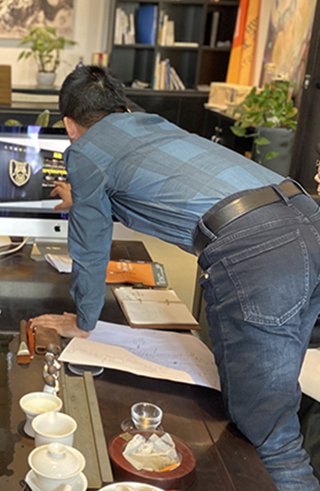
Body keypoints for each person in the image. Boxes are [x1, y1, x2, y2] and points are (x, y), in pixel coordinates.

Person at [31, 65, 320, 491]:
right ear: (123, 107)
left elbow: (90, 247)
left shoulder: (86, 149)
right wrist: (87, 197)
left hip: (259, 254)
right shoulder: (150, 124)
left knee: (270, 435)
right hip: (307, 218)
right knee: (265, 396)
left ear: (70, 125)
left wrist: (84, 322)